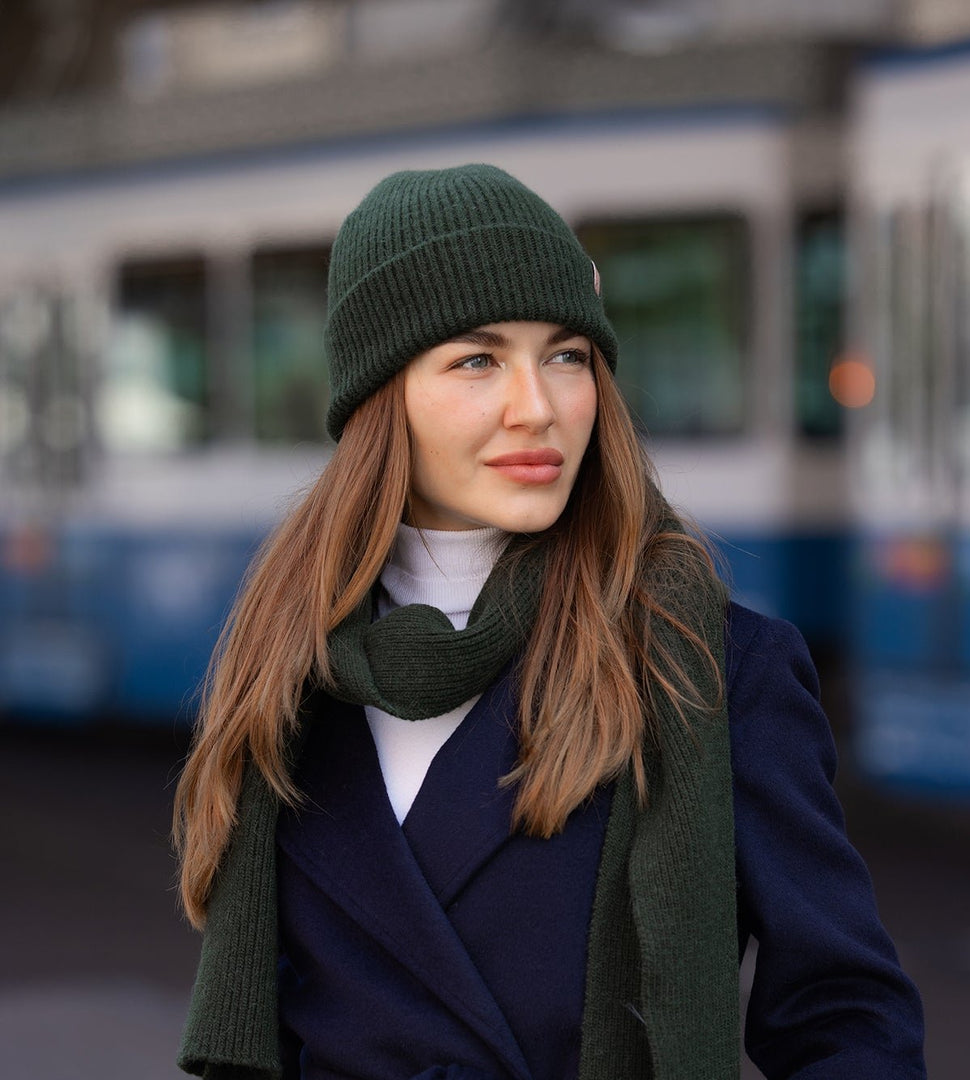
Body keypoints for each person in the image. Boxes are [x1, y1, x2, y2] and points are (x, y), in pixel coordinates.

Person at [173, 164, 926, 1080]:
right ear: (380, 397)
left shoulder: (713, 667)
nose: (539, 407)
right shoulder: (285, 675)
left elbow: (844, 1015)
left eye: (567, 355)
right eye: (477, 359)